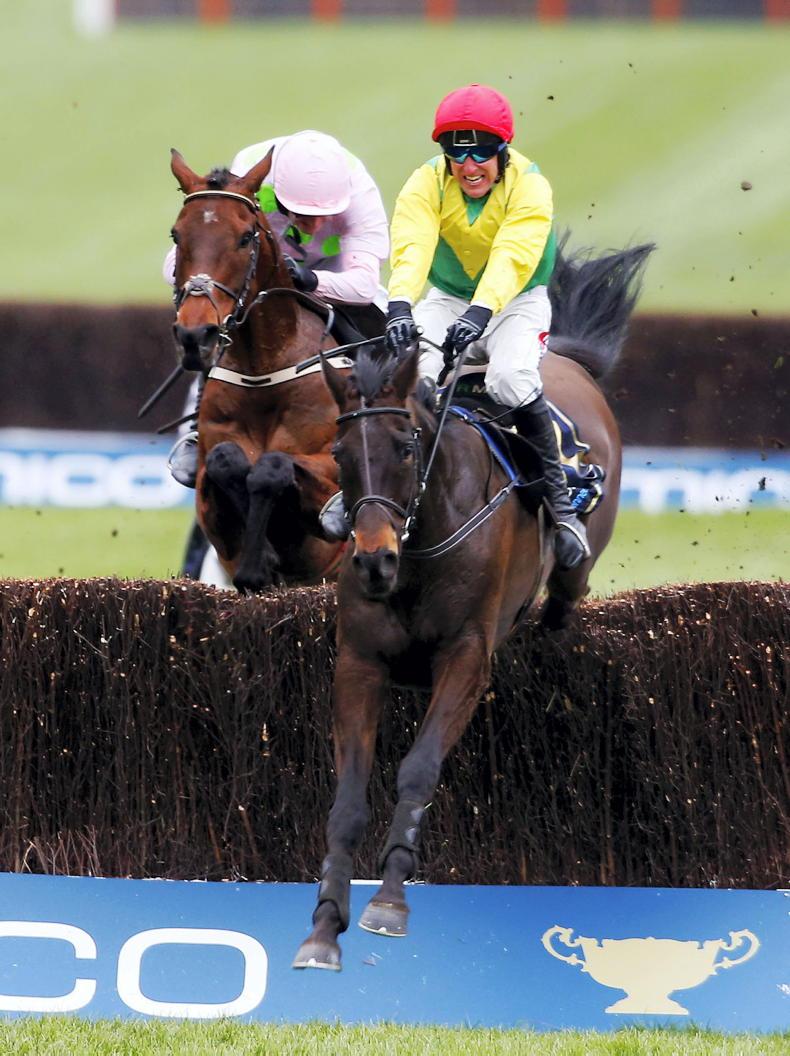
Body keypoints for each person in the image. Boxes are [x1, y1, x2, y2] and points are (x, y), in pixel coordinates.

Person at [382, 83, 590, 570]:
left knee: (510, 378)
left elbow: (513, 256)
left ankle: (563, 510)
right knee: (410, 376)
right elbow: (412, 244)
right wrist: (399, 306)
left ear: (503, 151)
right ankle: (374, 492)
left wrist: (480, 313)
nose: (469, 165)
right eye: (456, 153)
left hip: (517, 301)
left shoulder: (531, 186)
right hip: (447, 298)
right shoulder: (426, 181)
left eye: (481, 152)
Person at [166, 129, 390, 491]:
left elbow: (363, 286)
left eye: (324, 215)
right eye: (299, 213)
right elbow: (184, 263)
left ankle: (381, 436)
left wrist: (309, 280)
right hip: (265, 272)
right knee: (221, 325)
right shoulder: (247, 174)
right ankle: (196, 430)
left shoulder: (359, 192)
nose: (313, 225)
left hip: (334, 273)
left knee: (385, 334)